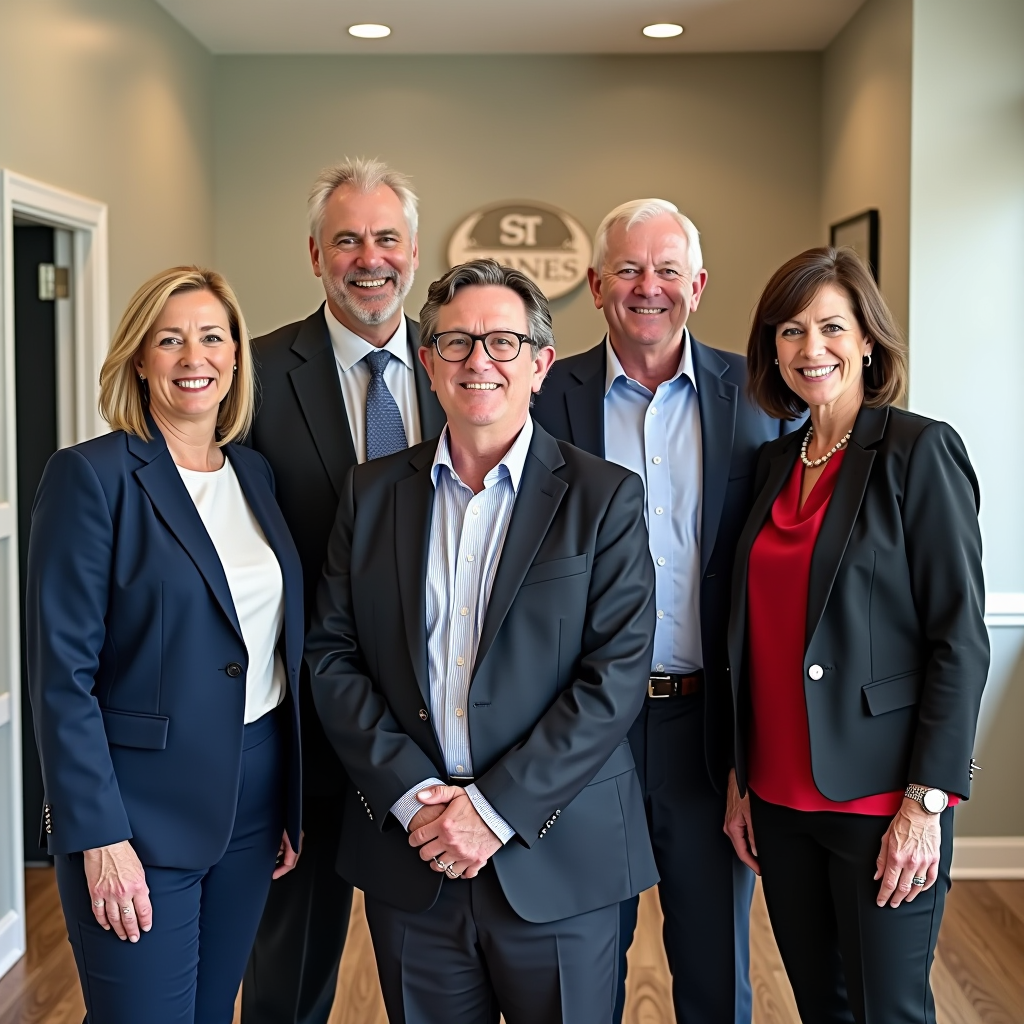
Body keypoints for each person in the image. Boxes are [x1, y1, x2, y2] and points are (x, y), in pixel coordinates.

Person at [306, 258, 658, 1024]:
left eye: (503, 342)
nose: (479, 361)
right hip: (414, 851)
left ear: (540, 364)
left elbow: (615, 676)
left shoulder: (604, 498)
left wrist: (492, 809)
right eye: (457, 342)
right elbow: (332, 656)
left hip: (557, 858)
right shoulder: (370, 494)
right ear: (426, 363)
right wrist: (411, 797)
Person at [533, 198, 793, 1023]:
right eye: (630, 270)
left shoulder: (758, 402)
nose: (649, 287)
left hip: (706, 731)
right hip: (579, 727)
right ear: (595, 283)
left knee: (716, 974)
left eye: (668, 270)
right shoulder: (540, 398)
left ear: (699, 284)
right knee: (580, 972)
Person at [26, 267, 304, 1024]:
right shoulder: (91, 477)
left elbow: (266, 649)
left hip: (253, 798)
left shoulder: (254, 474)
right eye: (170, 338)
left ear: (238, 357)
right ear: (140, 357)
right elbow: (61, 678)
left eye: (213, 337)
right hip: (138, 810)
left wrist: (287, 799)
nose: (194, 356)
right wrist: (99, 834)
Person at [723, 246, 989, 1024]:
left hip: (883, 802)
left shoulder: (917, 451)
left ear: (868, 340)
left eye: (831, 327)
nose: (812, 350)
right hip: (777, 798)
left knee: (889, 1012)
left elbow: (958, 641)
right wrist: (742, 779)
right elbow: (752, 636)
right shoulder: (772, 463)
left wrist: (924, 803)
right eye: (791, 331)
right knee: (821, 1007)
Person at [243, 157, 445, 1024]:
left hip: (446, 739)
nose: (371, 258)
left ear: (413, 249)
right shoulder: (249, 378)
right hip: (306, 730)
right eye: (348, 239)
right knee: (291, 969)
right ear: (315, 253)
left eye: (387, 238)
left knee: (444, 977)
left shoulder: (467, 366)